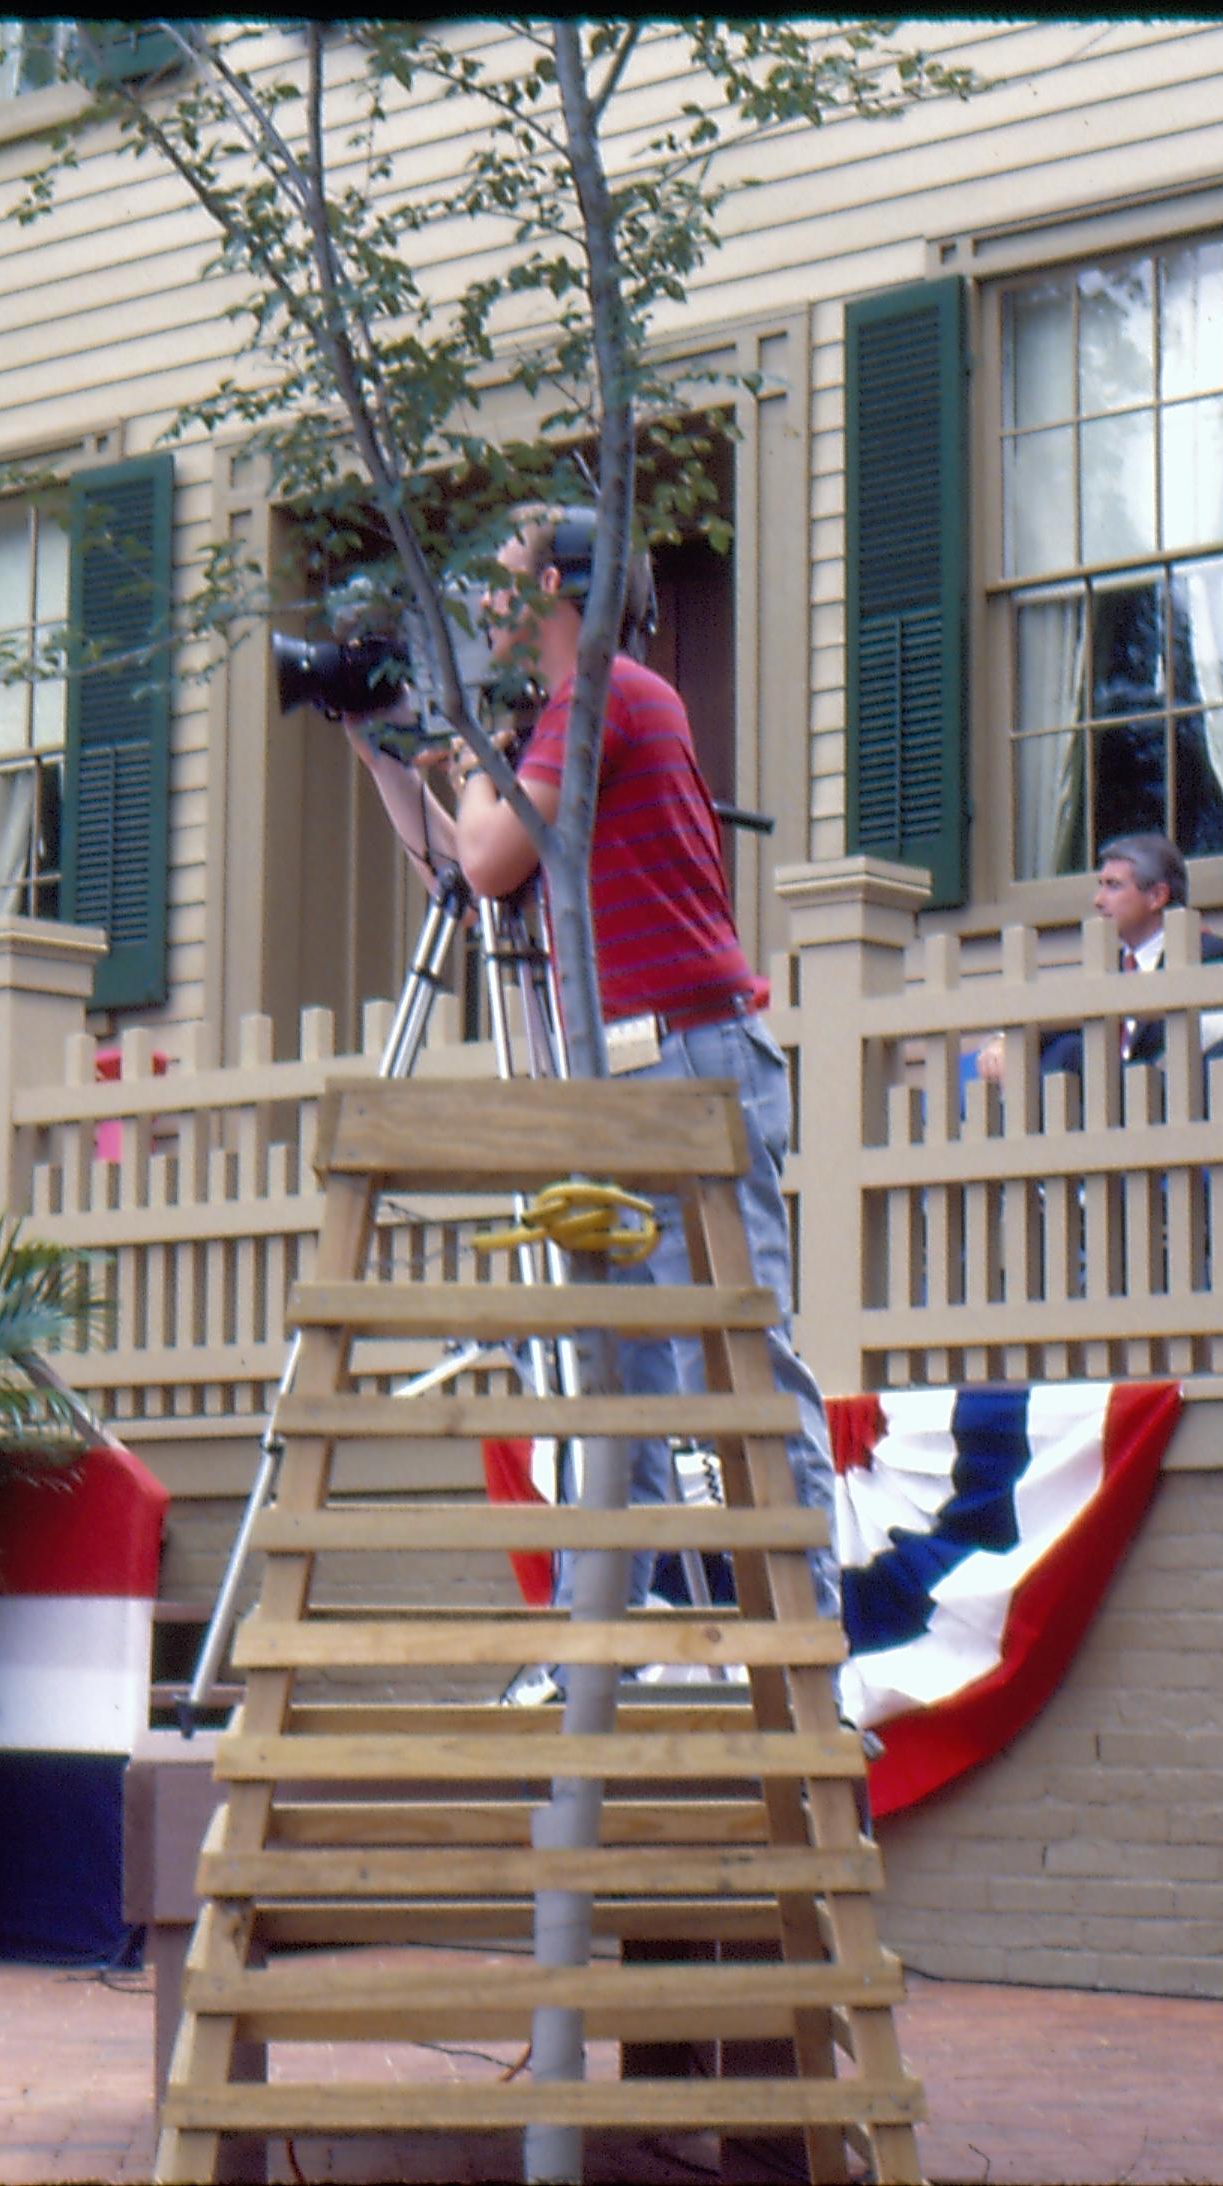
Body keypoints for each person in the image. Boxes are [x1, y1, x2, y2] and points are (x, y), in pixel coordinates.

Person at [337, 503, 838, 1619]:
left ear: (564, 586)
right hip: (621, 1074)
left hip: (685, 1063)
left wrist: (468, 748)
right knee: (614, 1386)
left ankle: (813, 1648)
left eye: (504, 569)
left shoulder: (609, 692)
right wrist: (379, 751)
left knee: (739, 1366)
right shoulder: (565, 718)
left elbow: (488, 842)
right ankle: (598, 1659)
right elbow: (469, 879)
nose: (485, 592)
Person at [971, 834, 1223, 1086]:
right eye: (1100, 886)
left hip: (1172, 1099)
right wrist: (1003, 1043)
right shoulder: (1110, 965)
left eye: (1113, 886)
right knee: (1068, 1050)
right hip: (1109, 1104)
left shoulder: (1206, 952)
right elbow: (1061, 1020)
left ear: (1157, 896)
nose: (1098, 900)